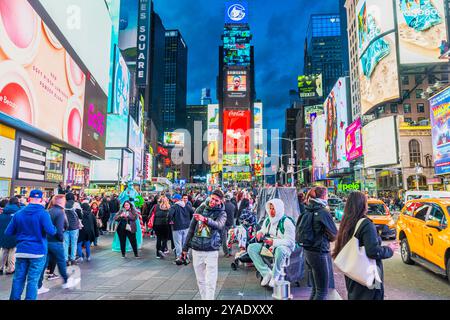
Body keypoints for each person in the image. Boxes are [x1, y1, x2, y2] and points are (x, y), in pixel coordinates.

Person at [332, 191, 394, 300]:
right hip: (368, 275)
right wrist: (390, 249)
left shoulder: (346, 222)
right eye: (366, 202)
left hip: (353, 274)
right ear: (362, 205)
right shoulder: (365, 224)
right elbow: (373, 251)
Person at [5, 190, 57, 300]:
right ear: (41, 200)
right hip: (37, 251)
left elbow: (8, 232)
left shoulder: (19, 213)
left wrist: (21, 233)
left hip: (21, 250)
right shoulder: (43, 213)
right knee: (33, 280)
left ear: (29, 199)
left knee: (18, 278)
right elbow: (51, 231)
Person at [182, 189, 227, 300]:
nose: (213, 201)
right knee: (200, 280)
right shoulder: (200, 208)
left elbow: (219, 225)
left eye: (216, 200)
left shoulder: (222, 213)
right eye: (212, 198)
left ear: (221, 201)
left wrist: (205, 219)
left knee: (210, 280)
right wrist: (185, 248)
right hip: (196, 249)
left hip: (211, 249)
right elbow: (191, 229)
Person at [298, 187, 337, 300]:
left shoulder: (308, 209)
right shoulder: (322, 212)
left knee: (316, 289)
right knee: (321, 292)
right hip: (319, 252)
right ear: (323, 196)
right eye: (327, 195)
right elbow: (334, 234)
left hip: (308, 252)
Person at [247, 199, 296, 288]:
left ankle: (275, 276)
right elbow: (263, 230)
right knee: (251, 248)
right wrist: (259, 233)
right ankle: (266, 273)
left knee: (280, 250)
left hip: (284, 248)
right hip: (270, 247)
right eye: (270, 208)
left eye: (274, 209)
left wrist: (274, 242)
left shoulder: (286, 222)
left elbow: (290, 242)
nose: (271, 211)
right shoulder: (268, 220)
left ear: (279, 209)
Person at [37, 195, 79, 295]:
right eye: (64, 200)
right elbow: (59, 230)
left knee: (44, 264)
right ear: (61, 202)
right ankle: (66, 281)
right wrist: (61, 238)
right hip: (56, 242)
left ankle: (39, 285)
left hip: (46, 241)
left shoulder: (48, 211)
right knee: (61, 262)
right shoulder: (60, 212)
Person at [168, 194, 191, 265]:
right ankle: (186, 256)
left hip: (177, 227)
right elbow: (193, 212)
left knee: (178, 243)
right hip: (186, 226)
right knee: (185, 242)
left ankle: (179, 258)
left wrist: (170, 220)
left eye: (174, 199)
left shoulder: (174, 206)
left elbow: (170, 214)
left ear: (176, 199)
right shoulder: (187, 205)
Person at [0, 197, 20, 275]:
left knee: (3, 250)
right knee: (12, 251)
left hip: (3, 235)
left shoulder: (4, 212)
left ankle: (0, 267)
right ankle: (10, 269)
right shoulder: (18, 212)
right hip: (14, 235)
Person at [64, 193, 82, 265]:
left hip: (65, 226)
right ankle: (73, 259)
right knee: (74, 243)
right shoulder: (76, 204)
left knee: (65, 243)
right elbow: (80, 216)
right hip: (74, 226)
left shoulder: (63, 204)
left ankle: (65, 260)